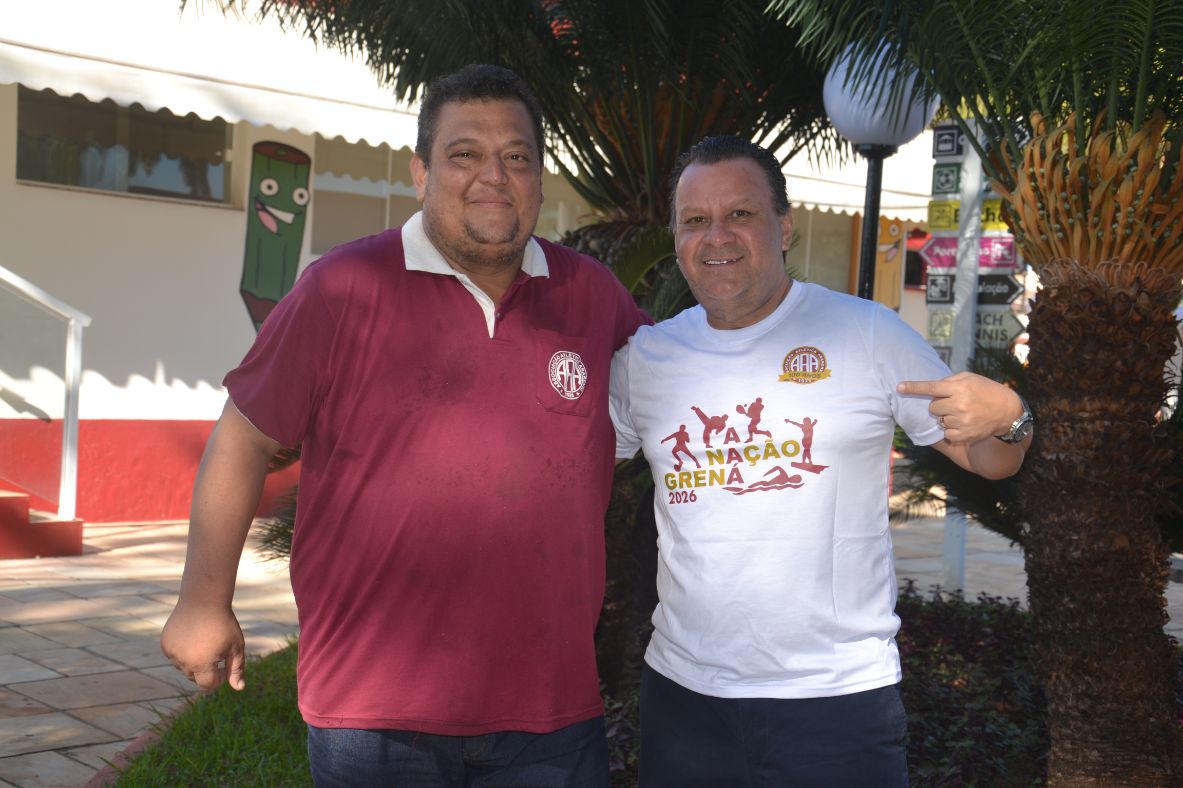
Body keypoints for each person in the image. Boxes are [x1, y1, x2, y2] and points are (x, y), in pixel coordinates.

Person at [161, 64, 649, 787]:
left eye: (517, 157)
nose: (494, 176)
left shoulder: (593, 297)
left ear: (540, 179)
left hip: (550, 710)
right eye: (465, 154)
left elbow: (685, 389)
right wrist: (203, 601)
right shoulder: (342, 287)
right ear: (421, 173)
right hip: (374, 713)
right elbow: (245, 435)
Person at [609, 135, 1032, 786]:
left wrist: (1011, 416)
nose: (716, 236)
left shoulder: (865, 333)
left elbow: (988, 461)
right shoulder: (646, 359)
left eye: (740, 214)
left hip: (835, 702)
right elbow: (566, 465)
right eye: (695, 219)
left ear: (783, 227)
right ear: (675, 237)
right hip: (684, 700)